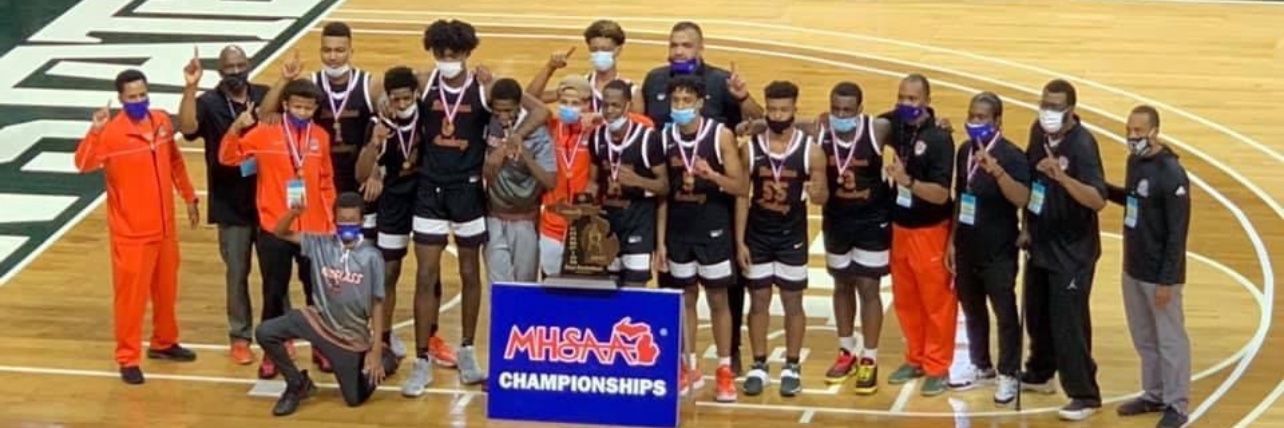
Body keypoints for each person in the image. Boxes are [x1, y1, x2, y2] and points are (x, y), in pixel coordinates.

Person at [401, 19, 549, 396]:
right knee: (425, 275)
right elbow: (386, 91)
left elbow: (539, 112)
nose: (447, 60)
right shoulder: (423, 82)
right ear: (432, 52)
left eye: (454, 54)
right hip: (430, 190)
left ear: (467, 53)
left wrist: (515, 136)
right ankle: (421, 359)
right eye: (440, 54)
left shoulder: (484, 88)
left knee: (470, 274)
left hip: (468, 191)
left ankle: (467, 349)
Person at [640, 20, 762, 375]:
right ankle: (682, 362)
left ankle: (729, 358)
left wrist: (742, 97)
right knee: (679, 293)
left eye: (687, 44)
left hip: (716, 209)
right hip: (676, 208)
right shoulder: (654, 80)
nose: (679, 50)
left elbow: (757, 120)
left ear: (700, 47)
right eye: (674, 44)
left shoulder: (721, 83)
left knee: (723, 292)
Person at [75, 69, 200, 384]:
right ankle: (127, 357)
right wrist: (94, 131)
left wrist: (188, 195)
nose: (139, 100)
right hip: (131, 233)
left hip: (165, 227)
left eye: (142, 94)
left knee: (167, 290)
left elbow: (174, 161)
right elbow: (84, 164)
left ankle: (164, 342)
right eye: (132, 97)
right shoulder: (111, 134)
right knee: (130, 300)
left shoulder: (160, 122)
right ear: (120, 99)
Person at [219, 78, 337, 379]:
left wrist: (331, 225)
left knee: (316, 293)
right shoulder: (264, 133)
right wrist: (236, 128)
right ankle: (274, 351)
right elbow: (228, 158)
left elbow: (325, 183)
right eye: (297, 106)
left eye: (308, 108)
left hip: (313, 230)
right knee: (274, 292)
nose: (302, 112)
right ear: (285, 105)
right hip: (275, 227)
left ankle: (320, 346)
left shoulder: (320, 137)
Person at [255, 192, 400, 416]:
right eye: (342, 221)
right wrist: (293, 213)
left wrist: (376, 348)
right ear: (334, 221)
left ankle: (388, 359)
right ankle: (296, 383)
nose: (347, 226)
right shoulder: (319, 244)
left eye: (352, 221)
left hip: (350, 339)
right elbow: (279, 232)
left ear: (362, 222)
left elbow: (378, 304)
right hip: (317, 321)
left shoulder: (372, 257)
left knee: (354, 399)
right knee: (265, 332)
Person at [177, 45, 271, 366]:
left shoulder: (264, 94)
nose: (235, 71)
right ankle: (240, 336)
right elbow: (187, 128)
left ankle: (279, 334)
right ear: (220, 71)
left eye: (240, 65)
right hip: (230, 202)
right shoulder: (208, 103)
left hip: (268, 198)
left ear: (249, 65)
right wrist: (190, 87)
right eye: (229, 67)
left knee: (276, 272)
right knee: (237, 273)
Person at [353, 66, 454, 364]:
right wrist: (374, 146)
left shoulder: (429, 112)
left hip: (425, 194)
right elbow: (360, 173)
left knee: (430, 270)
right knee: (389, 271)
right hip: (393, 199)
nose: (400, 104)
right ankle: (381, 338)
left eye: (405, 97)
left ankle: (432, 336)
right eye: (394, 98)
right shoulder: (377, 121)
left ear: (415, 94)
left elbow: (428, 76)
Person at [656, 74, 747, 402]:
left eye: (686, 100)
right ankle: (687, 366)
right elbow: (663, 193)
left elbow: (740, 188)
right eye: (675, 100)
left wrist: (713, 175)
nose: (680, 106)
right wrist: (660, 242)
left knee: (718, 299)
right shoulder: (664, 138)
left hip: (713, 228)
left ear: (699, 102)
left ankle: (724, 370)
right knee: (686, 299)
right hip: (679, 229)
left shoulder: (719, 135)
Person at [1021, 79, 1106, 421]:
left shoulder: (1084, 145)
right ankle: (1041, 372)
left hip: (1073, 250)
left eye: (1055, 106)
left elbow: (1097, 200)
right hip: (1041, 240)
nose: (1048, 111)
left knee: (1068, 323)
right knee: (1037, 314)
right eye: (1045, 104)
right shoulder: (1036, 134)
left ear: (1070, 110)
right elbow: (1030, 180)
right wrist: (1026, 226)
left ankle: (1085, 394)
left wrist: (1062, 177)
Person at [735, 81, 826, 398]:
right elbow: (741, 197)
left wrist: (817, 192)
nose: (776, 115)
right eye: (772, 109)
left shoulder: (810, 150)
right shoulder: (750, 149)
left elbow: (821, 196)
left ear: (794, 110)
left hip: (792, 237)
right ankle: (759, 364)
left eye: (783, 109)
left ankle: (792, 365)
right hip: (757, 235)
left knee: (792, 302)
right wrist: (739, 240)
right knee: (758, 301)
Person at [1106, 106, 1191, 428]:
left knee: (1170, 340)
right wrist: (1102, 188)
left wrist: (1168, 280)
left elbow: (1177, 232)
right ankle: (1154, 393)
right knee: (1144, 337)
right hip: (1134, 266)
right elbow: (1133, 202)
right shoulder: (1135, 162)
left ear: (1154, 131)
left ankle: (1177, 405)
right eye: (1130, 130)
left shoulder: (1171, 172)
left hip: (1160, 275)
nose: (1132, 136)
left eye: (1139, 131)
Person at [944, 92, 1029, 405]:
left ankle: (1008, 373)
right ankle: (982, 365)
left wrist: (996, 171)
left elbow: (1022, 198)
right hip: (967, 244)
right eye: (972, 116)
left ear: (997, 122)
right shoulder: (964, 150)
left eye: (982, 118)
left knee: (1004, 311)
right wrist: (952, 240)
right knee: (972, 308)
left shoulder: (1012, 156)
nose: (975, 122)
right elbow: (960, 196)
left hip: (999, 247)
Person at [813, 82, 893, 395]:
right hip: (836, 220)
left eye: (847, 110)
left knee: (868, 286)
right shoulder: (819, 130)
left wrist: (935, 121)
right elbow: (782, 122)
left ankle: (869, 358)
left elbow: (911, 123)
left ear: (860, 110)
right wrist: (754, 124)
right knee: (841, 284)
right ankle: (846, 350)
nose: (840, 115)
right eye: (836, 109)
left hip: (873, 220)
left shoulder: (878, 129)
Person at [881, 74, 956, 397]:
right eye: (902, 97)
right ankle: (915, 357)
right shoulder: (894, 123)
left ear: (926, 100)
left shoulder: (940, 138)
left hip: (931, 231)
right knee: (906, 300)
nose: (905, 104)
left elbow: (941, 194)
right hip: (901, 228)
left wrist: (906, 181)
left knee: (936, 301)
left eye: (912, 99)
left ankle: (938, 366)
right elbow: (864, 125)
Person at [585, 79, 663, 287]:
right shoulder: (597, 137)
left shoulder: (648, 139)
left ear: (628, 105)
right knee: (607, 290)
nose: (609, 111)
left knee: (635, 291)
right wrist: (582, 209)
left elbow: (664, 186)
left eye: (615, 105)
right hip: (607, 224)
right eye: (605, 105)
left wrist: (637, 180)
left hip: (638, 223)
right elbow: (593, 182)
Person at [483, 78, 556, 283]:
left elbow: (550, 181)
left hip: (526, 221)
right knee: (498, 288)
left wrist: (525, 156)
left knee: (524, 286)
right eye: (498, 111)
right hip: (494, 218)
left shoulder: (539, 135)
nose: (503, 116)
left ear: (519, 106)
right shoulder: (487, 126)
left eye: (509, 110)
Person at [537, 75, 599, 278]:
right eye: (564, 102)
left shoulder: (598, 130)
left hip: (587, 222)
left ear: (587, 105)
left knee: (583, 288)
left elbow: (641, 122)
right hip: (553, 220)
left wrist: (603, 118)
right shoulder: (550, 126)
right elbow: (526, 97)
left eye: (575, 103)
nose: (568, 107)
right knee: (551, 284)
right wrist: (553, 76)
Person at [526, 20, 642, 113]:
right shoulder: (579, 85)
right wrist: (549, 68)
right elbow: (529, 99)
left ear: (618, 50)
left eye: (605, 49)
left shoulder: (631, 91)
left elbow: (638, 126)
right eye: (594, 49)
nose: (599, 53)